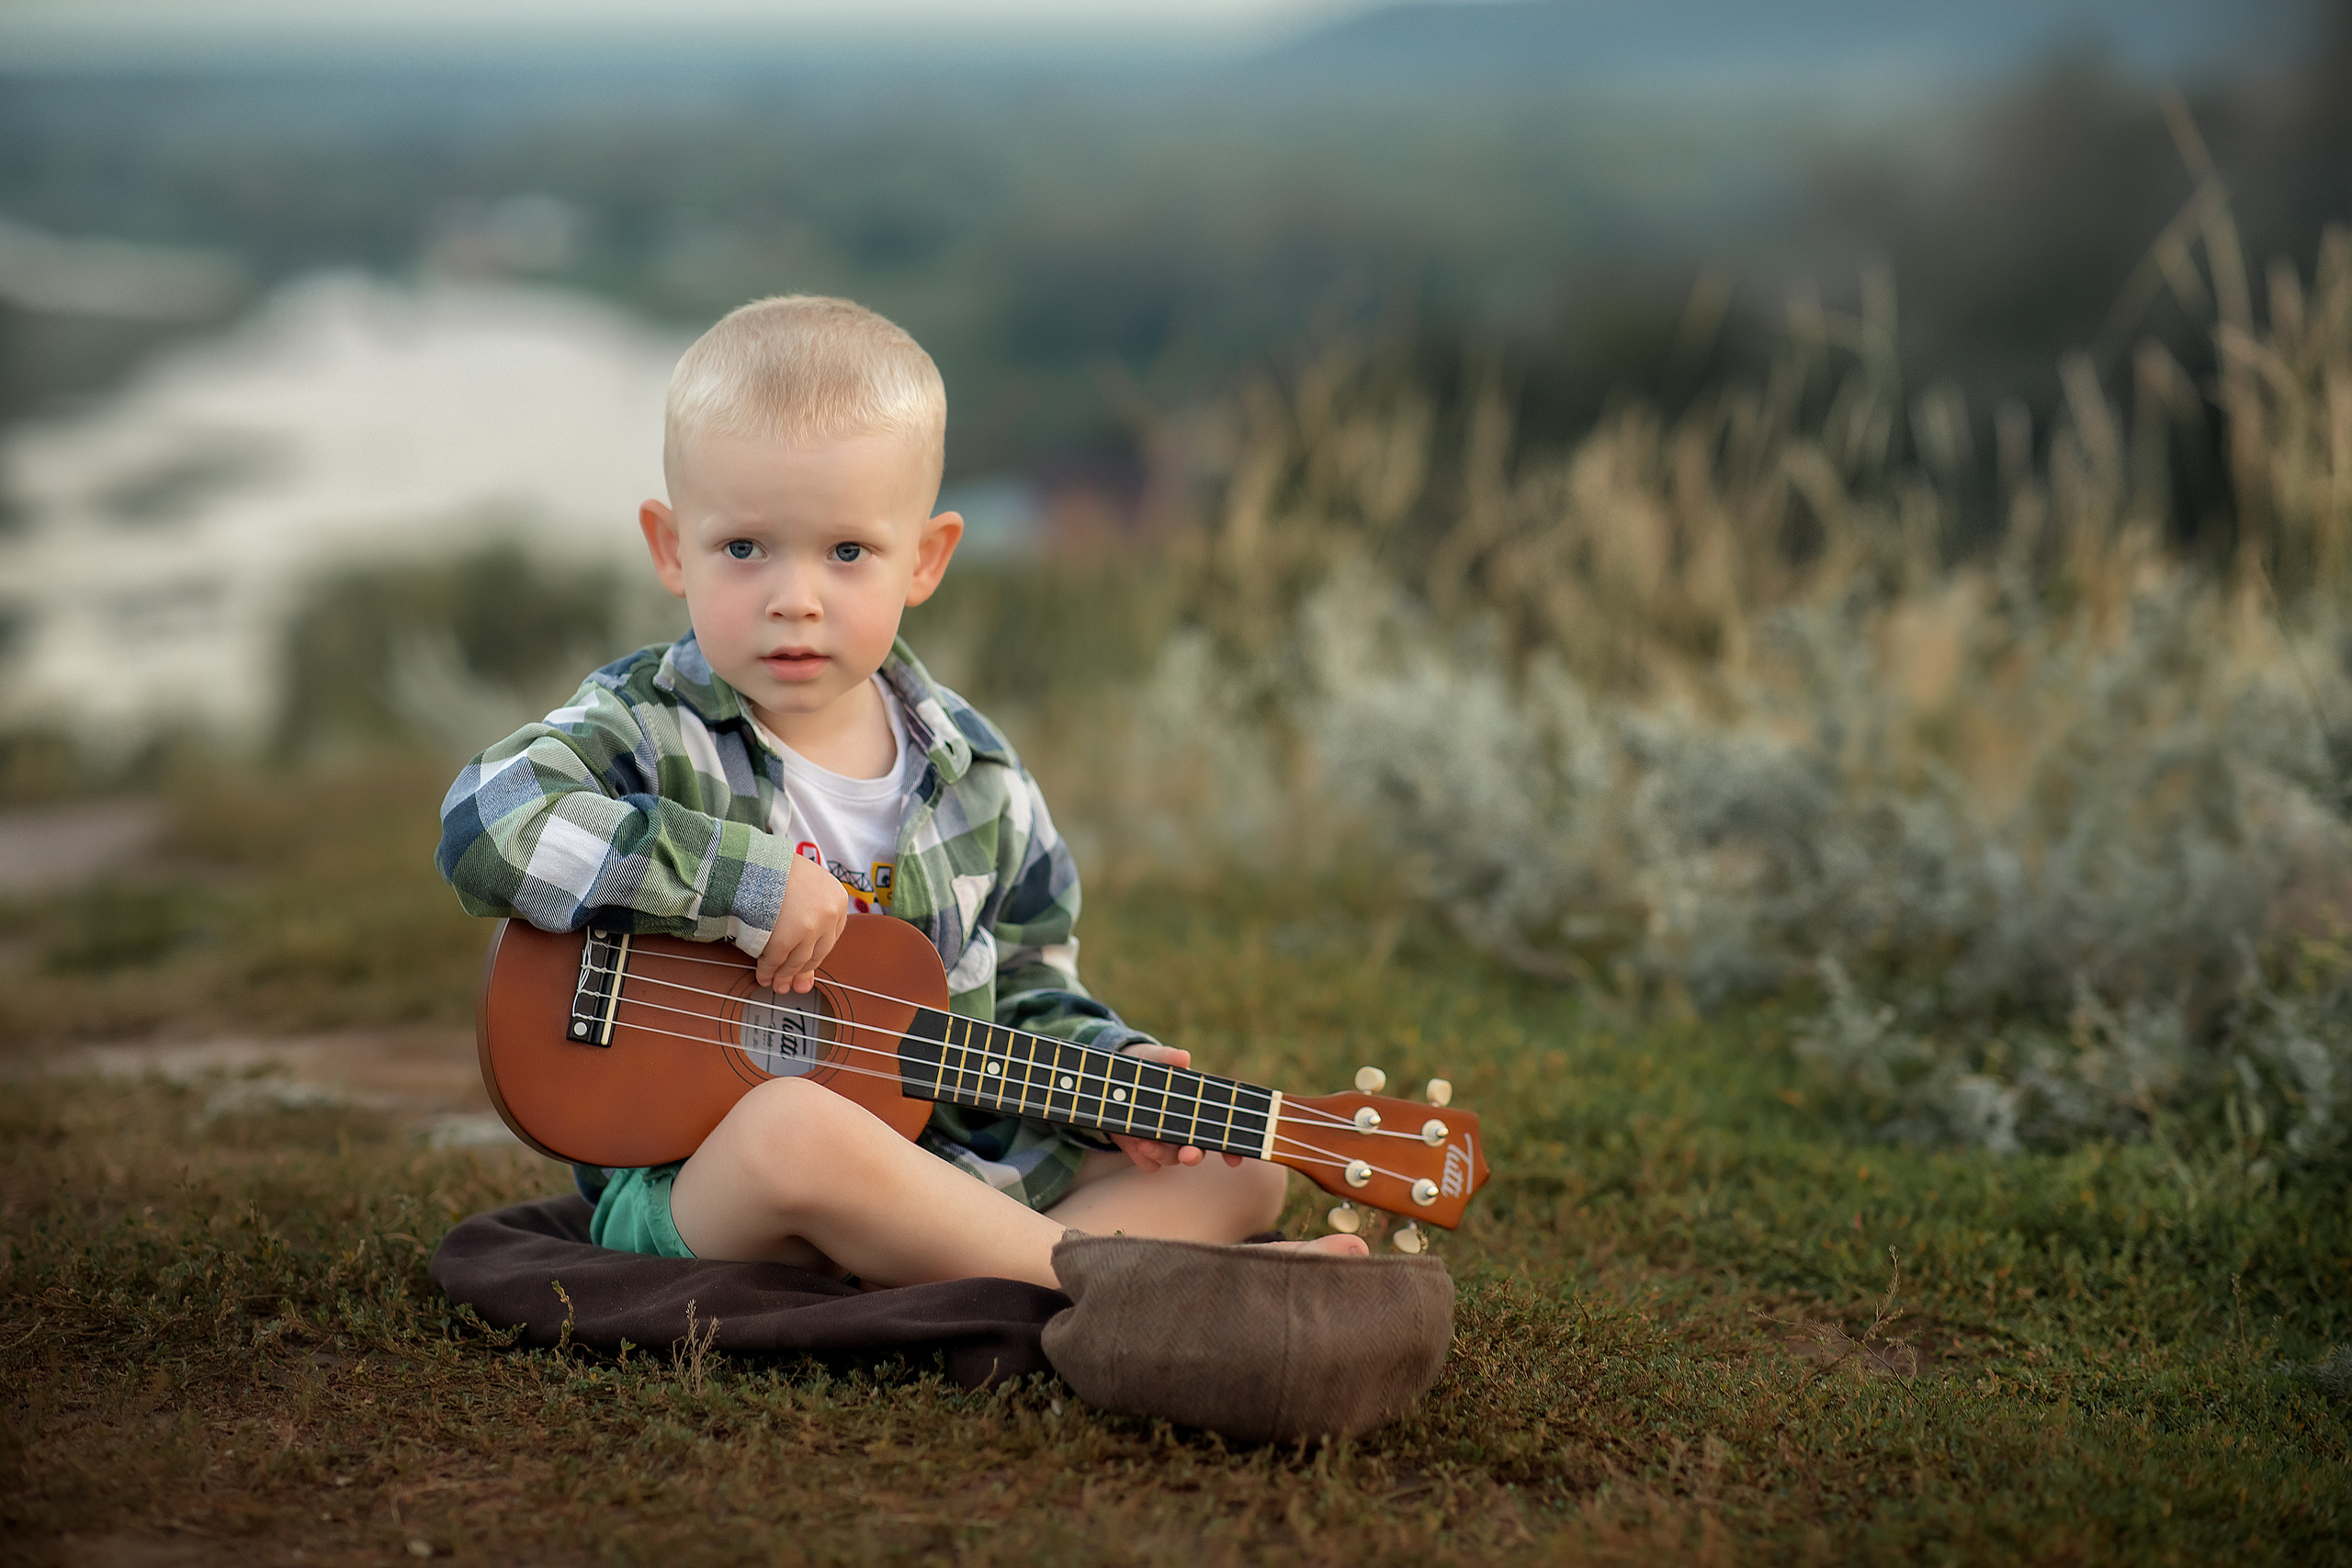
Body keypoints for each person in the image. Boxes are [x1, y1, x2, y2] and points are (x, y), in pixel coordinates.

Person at [436, 295, 1368, 1289]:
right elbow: (483, 821)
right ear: (672, 548)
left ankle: (1028, 1259)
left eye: (847, 552)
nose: (795, 596)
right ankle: (1128, 1283)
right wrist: (745, 882)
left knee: (1242, 1172)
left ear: (923, 559)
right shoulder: (648, 726)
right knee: (795, 1125)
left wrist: (1112, 1070)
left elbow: (1029, 992)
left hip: (942, 1161)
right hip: (708, 1180)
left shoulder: (980, 778)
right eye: (744, 547)